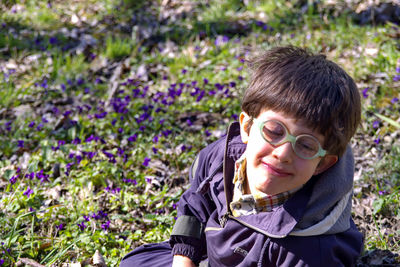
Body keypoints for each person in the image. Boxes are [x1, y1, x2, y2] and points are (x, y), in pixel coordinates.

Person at [120, 46, 364, 267]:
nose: (283, 154)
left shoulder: (311, 251)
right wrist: (184, 260)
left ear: (322, 163)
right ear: (247, 127)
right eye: (274, 131)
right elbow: (195, 207)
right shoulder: (219, 160)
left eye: (306, 146)